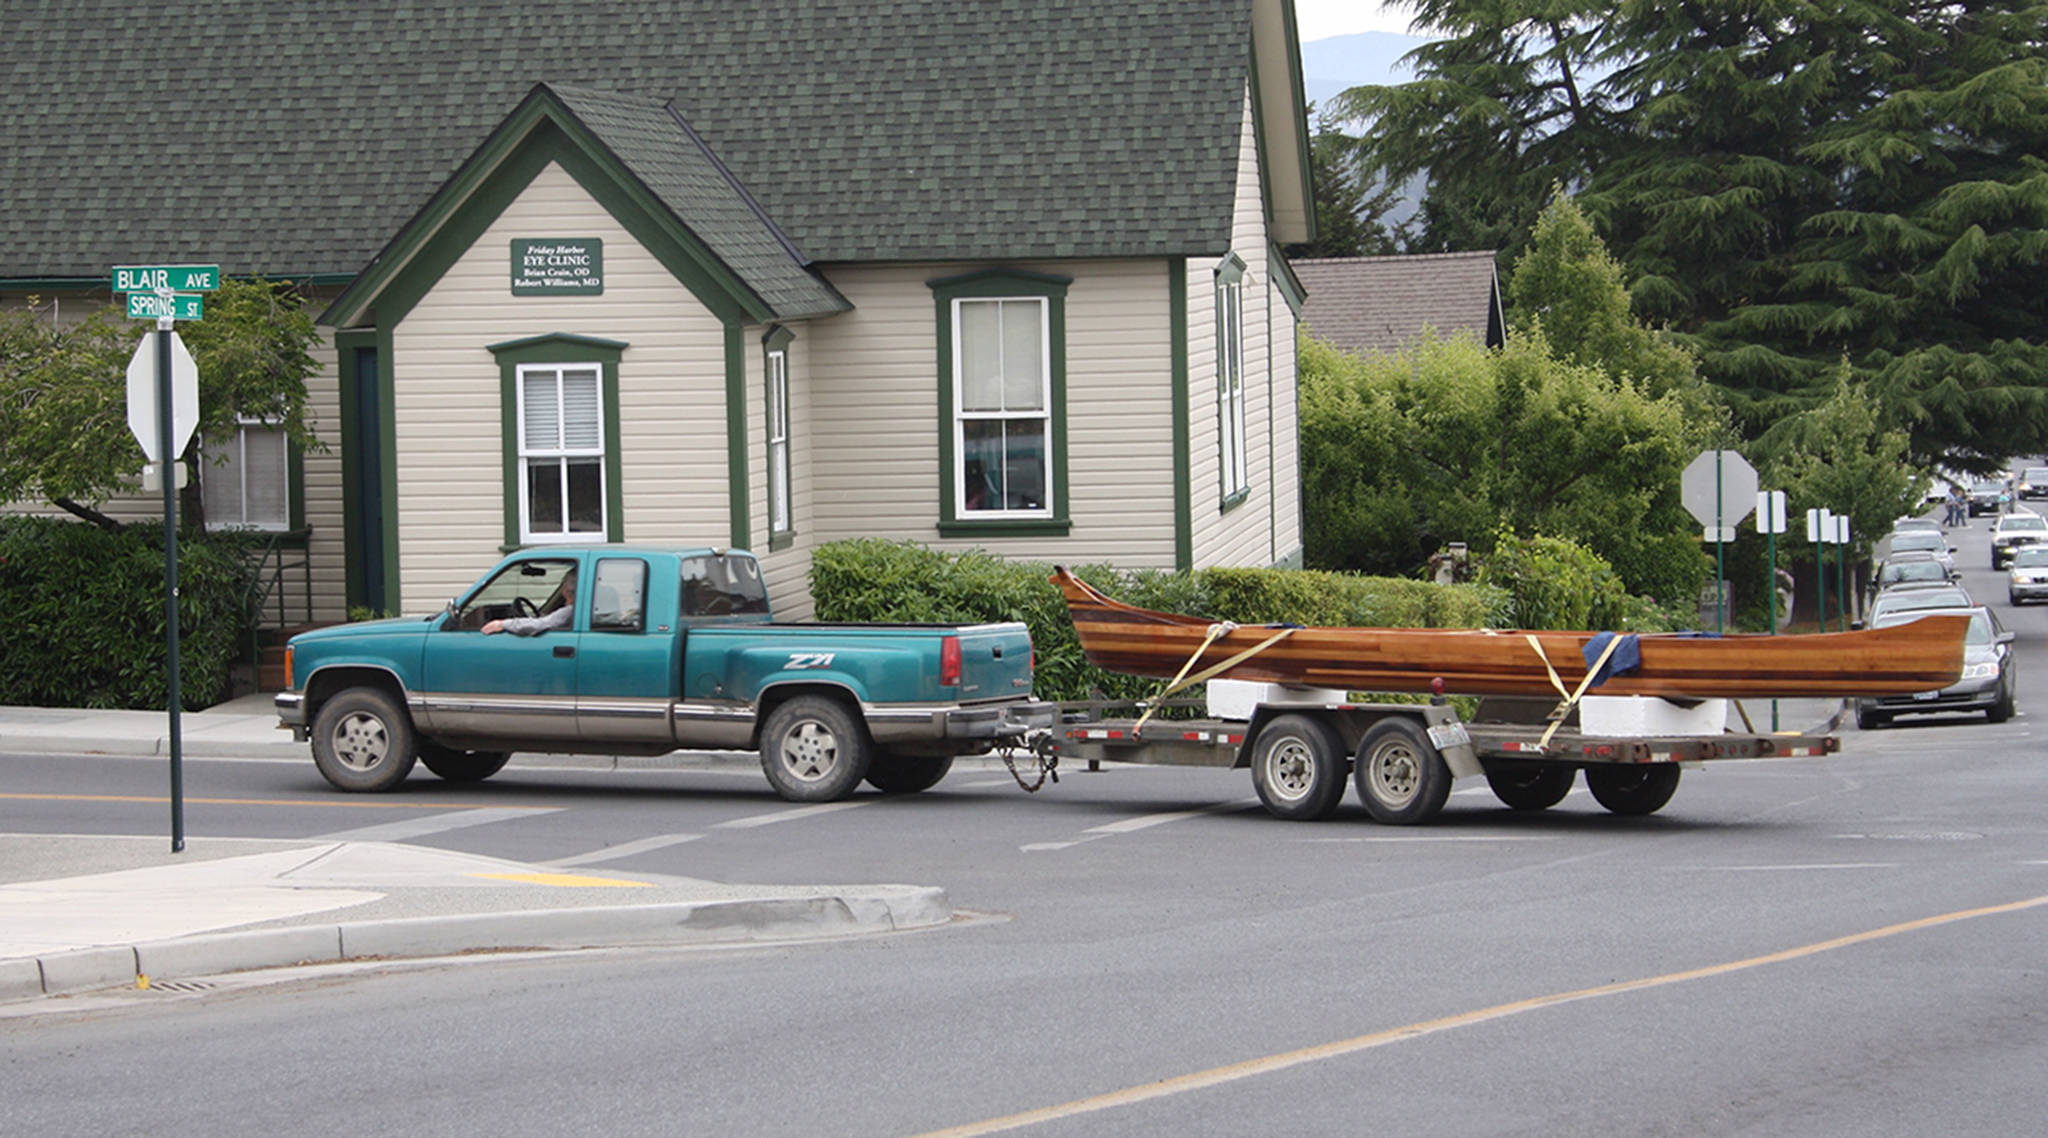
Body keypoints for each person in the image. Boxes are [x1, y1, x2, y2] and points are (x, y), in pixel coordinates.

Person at [482, 567, 576, 635]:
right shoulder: (579, 611)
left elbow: (539, 625)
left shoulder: (570, 611)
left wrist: (502, 624)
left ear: (565, 591)